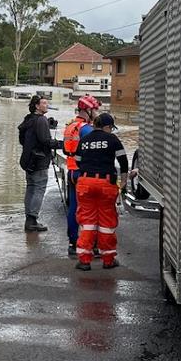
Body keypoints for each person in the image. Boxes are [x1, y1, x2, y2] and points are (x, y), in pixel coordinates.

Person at [73, 112, 128, 271]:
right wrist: (123, 182)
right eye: (111, 128)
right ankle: (108, 260)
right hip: (105, 183)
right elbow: (123, 162)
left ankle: (84, 261)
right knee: (106, 223)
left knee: (87, 222)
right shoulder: (112, 139)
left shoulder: (84, 140)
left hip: (85, 183)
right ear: (107, 126)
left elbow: (77, 162)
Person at [62, 94, 100, 256]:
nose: (97, 112)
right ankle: (90, 244)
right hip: (84, 173)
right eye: (95, 109)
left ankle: (72, 242)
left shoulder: (71, 126)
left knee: (74, 208)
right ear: (88, 110)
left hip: (71, 171)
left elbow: (66, 149)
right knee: (90, 210)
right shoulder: (87, 129)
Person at [18, 95, 62, 232]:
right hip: (39, 161)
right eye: (44, 103)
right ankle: (32, 220)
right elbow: (45, 141)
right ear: (37, 106)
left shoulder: (29, 119)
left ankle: (29, 220)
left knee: (31, 188)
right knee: (38, 189)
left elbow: (23, 139)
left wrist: (47, 125)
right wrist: (62, 144)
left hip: (28, 160)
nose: (46, 105)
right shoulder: (41, 120)